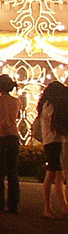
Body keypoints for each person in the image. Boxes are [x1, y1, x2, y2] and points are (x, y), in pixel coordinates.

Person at [34, 81, 68, 218]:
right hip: (53, 142)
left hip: (53, 142)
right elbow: (57, 125)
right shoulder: (50, 106)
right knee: (52, 174)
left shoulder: (47, 105)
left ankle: (64, 206)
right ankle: (47, 207)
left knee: (59, 175)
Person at [0, 73, 22, 213]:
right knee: (12, 172)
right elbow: (17, 116)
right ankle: (13, 204)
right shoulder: (16, 101)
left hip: (0, 136)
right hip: (13, 136)